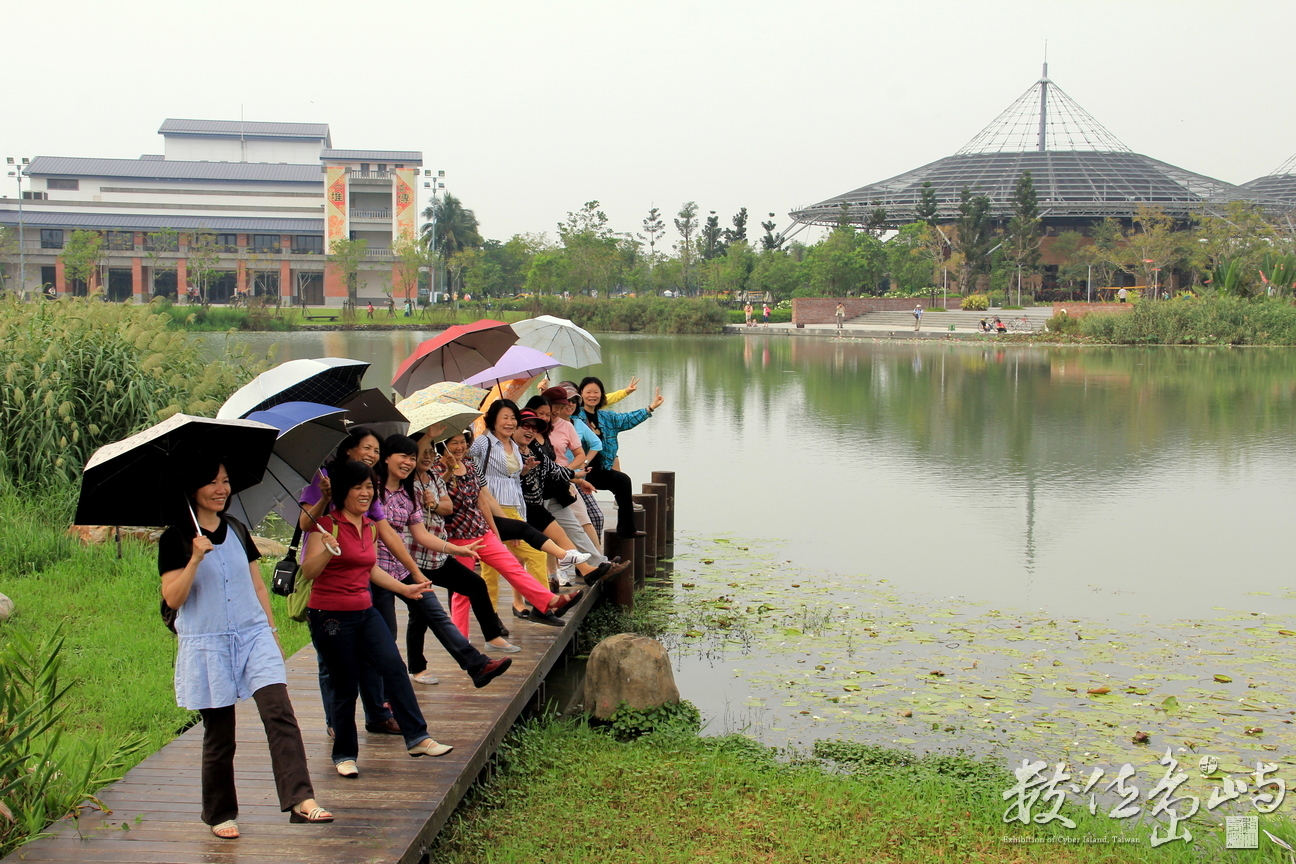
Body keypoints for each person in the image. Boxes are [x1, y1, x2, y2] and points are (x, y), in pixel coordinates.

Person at [160, 460, 330, 839]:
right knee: (221, 733)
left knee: (279, 713)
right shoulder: (176, 538)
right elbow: (173, 598)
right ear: (193, 489)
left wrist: (271, 630)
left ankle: (301, 799)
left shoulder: (236, 528)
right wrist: (194, 559)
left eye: (225, 481)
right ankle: (220, 813)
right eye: (212, 482)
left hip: (253, 634)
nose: (221, 489)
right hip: (208, 642)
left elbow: (256, 585)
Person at [299, 459, 453, 778]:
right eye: (358, 487)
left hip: (364, 611)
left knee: (393, 668)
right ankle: (344, 754)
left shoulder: (369, 526)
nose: (365, 493)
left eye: (369, 487)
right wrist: (327, 551)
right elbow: (308, 572)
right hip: (330, 616)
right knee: (344, 683)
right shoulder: (325, 526)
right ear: (343, 490)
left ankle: (418, 738)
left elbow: (369, 568)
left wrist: (404, 588)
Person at [373, 435, 516, 685]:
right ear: (385, 458)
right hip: (379, 570)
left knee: (435, 613)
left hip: (406, 565)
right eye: (404, 456)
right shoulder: (372, 489)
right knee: (387, 633)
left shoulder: (409, 492)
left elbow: (421, 533)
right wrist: (430, 436)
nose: (409, 461)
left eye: (412, 457)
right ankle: (386, 692)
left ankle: (477, 665)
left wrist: (456, 550)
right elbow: (387, 536)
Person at [438, 429, 584, 634]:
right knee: (462, 592)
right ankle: (461, 640)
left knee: (512, 567)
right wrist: (448, 472)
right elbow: (436, 498)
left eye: (463, 442)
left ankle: (548, 601)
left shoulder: (470, 466)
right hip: (458, 538)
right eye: (454, 443)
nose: (460, 447)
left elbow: (483, 501)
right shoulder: (435, 470)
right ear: (443, 446)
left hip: (482, 531)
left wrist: (496, 534)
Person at [574, 376, 664, 538]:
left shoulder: (606, 417)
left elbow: (627, 419)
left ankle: (626, 530)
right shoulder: (575, 417)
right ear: (581, 394)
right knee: (592, 516)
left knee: (622, 481)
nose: (592, 395)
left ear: (602, 394)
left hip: (599, 470)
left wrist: (650, 408)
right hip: (579, 472)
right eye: (588, 392)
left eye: (596, 392)